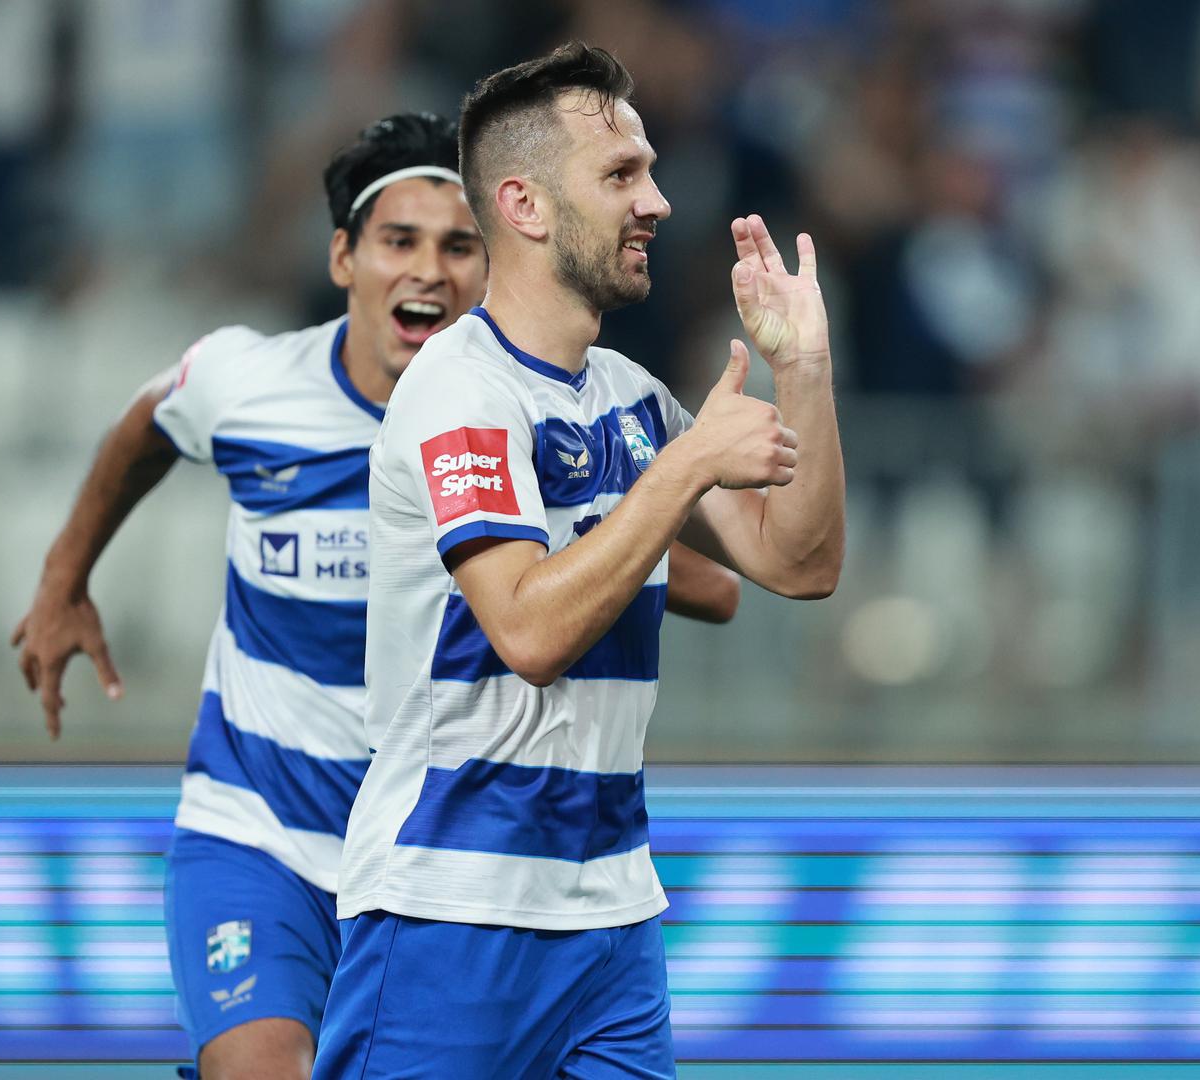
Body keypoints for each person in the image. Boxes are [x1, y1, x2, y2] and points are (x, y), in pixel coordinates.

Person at [10, 112, 739, 1080]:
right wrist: (63, 580)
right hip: (263, 837)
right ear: (343, 257)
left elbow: (701, 583)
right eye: (399, 241)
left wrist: (610, 546)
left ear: (495, 262)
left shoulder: (509, 422)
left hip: (423, 863)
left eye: (459, 246)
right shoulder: (251, 385)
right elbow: (147, 424)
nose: (429, 271)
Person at [312, 43, 844, 1078]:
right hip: (450, 907)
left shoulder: (631, 398)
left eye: (649, 171)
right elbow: (528, 632)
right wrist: (683, 468)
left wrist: (804, 370)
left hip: (611, 917)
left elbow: (800, 562)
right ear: (525, 204)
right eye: (620, 175)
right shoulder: (459, 389)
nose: (657, 202)